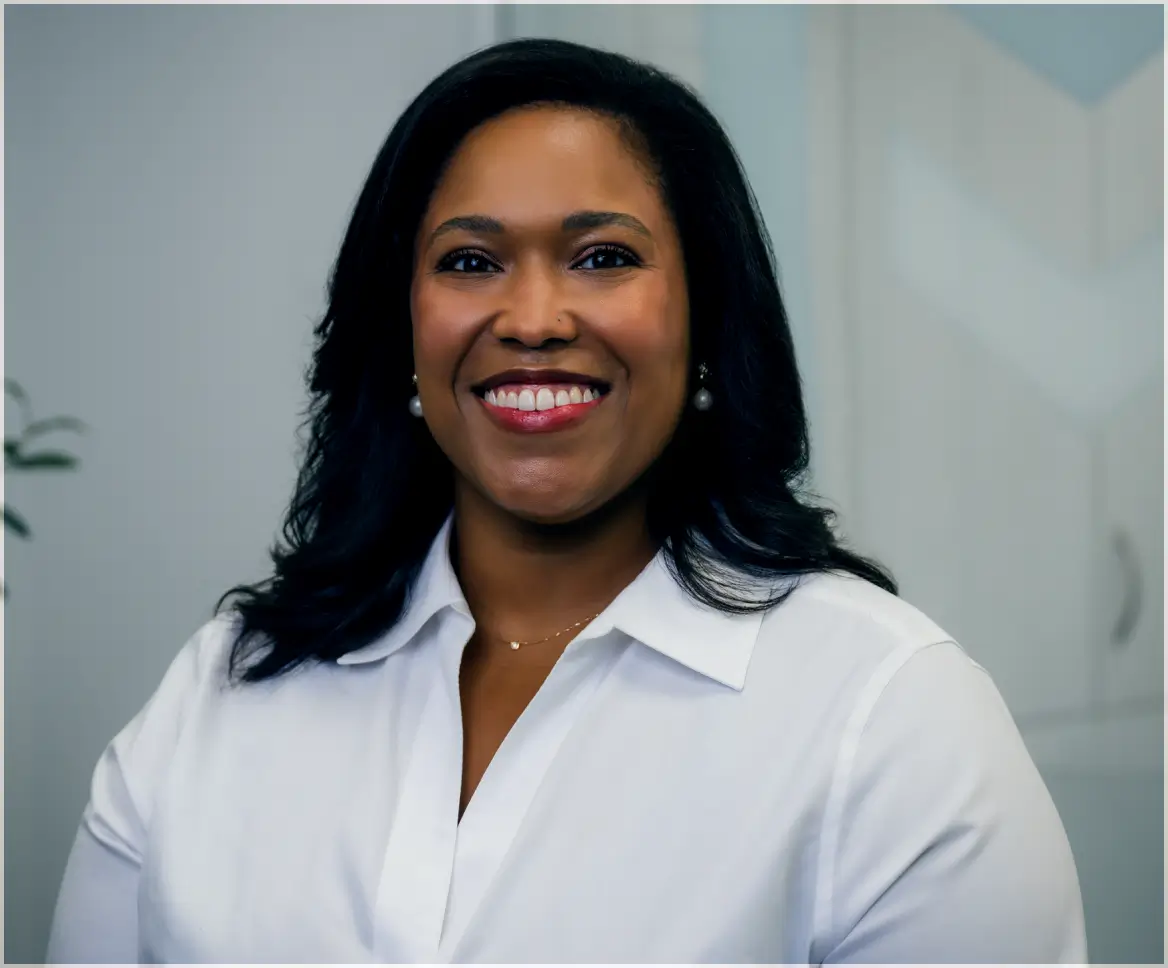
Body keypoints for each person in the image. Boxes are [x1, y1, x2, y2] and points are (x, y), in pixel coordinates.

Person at [47, 38, 1085, 964]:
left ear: (705, 319)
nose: (533, 317)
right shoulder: (218, 693)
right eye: (469, 260)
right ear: (401, 327)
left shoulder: (890, 717)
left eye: (603, 258)